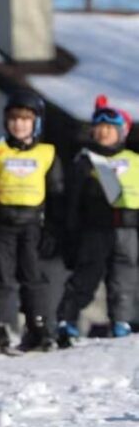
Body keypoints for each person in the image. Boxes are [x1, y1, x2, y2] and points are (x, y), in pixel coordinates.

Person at [0, 90, 64, 353]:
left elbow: (57, 194)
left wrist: (54, 230)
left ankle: (39, 327)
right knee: (0, 277)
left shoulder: (47, 153)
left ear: (36, 122)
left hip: (33, 226)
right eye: (13, 119)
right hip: (2, 225)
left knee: (33, 277)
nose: (19, 124)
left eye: (25, 119)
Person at [55, 96, 138, 348]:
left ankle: (121, 322)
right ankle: (67, 321)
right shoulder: (86, 161)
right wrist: (69, 232)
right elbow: (72, 201)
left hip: (127, 229)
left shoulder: (134, 160)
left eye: (110, 128)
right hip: (95, 229)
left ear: (121, 133)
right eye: (100, 127)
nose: (104, 133)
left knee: (123, 279)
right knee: (86, 276)